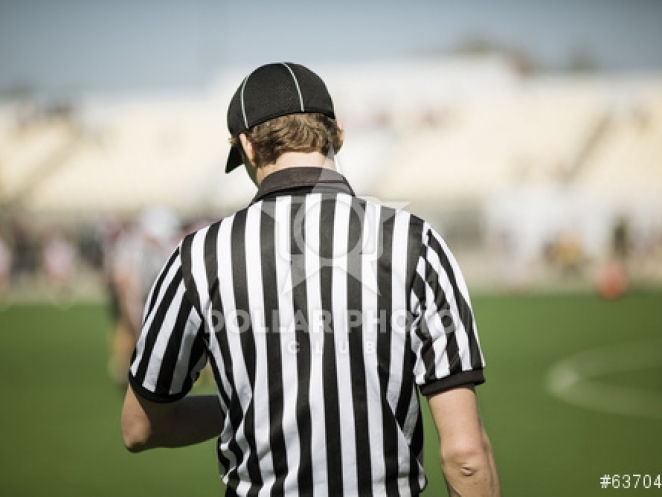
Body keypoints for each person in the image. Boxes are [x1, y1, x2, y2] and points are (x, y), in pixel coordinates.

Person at [121, 62, 501, 497]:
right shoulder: (415, 242)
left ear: (246, 146)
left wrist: (245, 407)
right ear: (337, 133)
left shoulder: (199, 257)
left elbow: (139, 428)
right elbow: (466, 457)